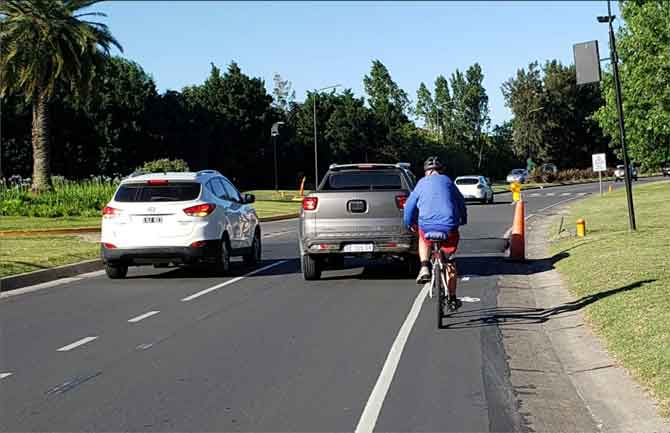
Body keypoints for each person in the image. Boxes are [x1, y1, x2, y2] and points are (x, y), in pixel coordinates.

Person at [403, 156, 467, 310]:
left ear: (426, 172)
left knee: (423, 237)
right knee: (449, 261)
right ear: (440, 171)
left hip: (427, 225)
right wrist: (463, 219)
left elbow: (409, 206)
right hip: (449, 227)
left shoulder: (420, 184)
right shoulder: (448, 182)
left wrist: (409, 223)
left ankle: (424, 266)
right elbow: (461, 203)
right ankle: (452, 298)